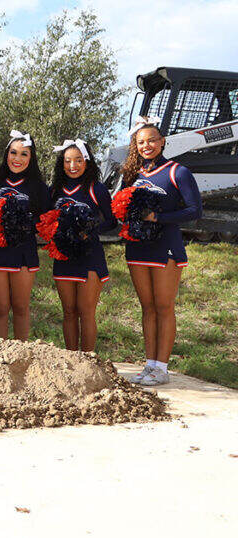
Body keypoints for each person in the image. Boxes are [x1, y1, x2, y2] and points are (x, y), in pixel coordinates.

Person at [121, 118, 202, 386]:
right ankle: (149, 364)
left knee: (164, 306)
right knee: (147, 308)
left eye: (152, 140)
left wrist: (159, 216)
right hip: (137, 248)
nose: (147, 146)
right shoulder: (132, 175)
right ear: (136, 144)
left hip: (165, 247)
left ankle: (162, 367)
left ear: (163, 141)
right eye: (141, 142)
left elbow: (194, 211)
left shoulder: (178, 171)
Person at [0, 131, 51, 340]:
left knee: (21, 307)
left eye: (24, 154)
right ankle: (1, 357)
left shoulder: (39, 187)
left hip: (24, 253)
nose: (17, 159)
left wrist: (23, 225)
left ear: (31, 159)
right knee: (0, 308)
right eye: (13, 153)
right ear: (7, 154)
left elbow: (45, 220)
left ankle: (21, 356)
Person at [48, 139, 115, 352]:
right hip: (63, 257)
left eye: (78, 160)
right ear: (62, 163)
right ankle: (71, 360)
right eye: (68, 161)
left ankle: (88, 361)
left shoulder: (97, 189)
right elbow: (46, 219)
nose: (73, 166)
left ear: (87, 162)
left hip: (89, 256)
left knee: (86, 311)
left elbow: (112, 221)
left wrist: (89, 230)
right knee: (68, 311)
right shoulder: (54, 191)